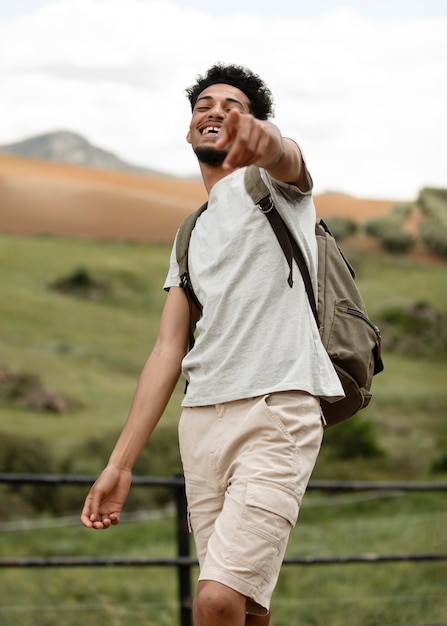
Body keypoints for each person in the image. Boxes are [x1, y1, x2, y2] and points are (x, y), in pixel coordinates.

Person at [81, 63, 343, 626]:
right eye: (204, 104)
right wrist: (119, 465)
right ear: (188, 128)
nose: (216, 111)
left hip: (277, 412)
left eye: (233, 106)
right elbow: (166, 352)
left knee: (216, 601)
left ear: (253, 124)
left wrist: (267, 141)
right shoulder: (190, 232)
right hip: (200, 425)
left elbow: (290, 157)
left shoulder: (275, 188)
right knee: (243, 609)